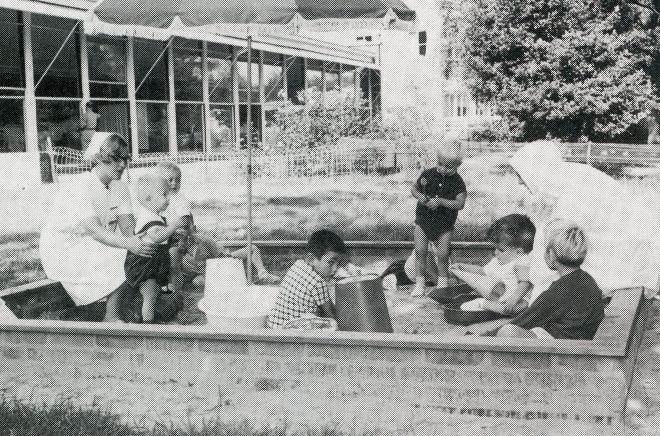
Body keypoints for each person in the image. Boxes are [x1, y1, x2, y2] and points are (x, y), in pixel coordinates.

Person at [509, 141, 660, 301]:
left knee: (551, 284)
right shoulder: (574, 176)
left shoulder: (573, 194)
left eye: (520, 174)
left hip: (630, 262)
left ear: (534, 170)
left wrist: (533, 275)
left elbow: (563, 246)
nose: (519, 181)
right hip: (628, 251)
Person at [39, 132, 157, 322]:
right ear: (99, 158)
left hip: (91, 245)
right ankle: (111, 316)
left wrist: (143, 239)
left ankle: (124, 307)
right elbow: (94, 230)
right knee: (124, 254)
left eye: (125, 159)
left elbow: (128, 227)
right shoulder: (80, 185)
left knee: (137, 254)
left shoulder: (119, 186)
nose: (122, 165)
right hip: (63, 250)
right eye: (115, 158)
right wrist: (130, 245)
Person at [156, 161, 280, 292]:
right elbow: (175, 270)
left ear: (195, 228)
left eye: (178, 180)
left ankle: (262, 273)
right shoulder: (175, 250)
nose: (175, 183)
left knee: (252, 248)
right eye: (170, 180)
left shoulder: (203, 241)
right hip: (202, 275)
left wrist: (225, 265)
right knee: (198, 282)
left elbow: (223, 258)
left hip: (218, 266)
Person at [495, 220, 605, 339]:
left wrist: (482, 336)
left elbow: (524, 320)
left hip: (561, 350)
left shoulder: (560, 290)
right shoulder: (586, 280)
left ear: (551, 254)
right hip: (577, 342)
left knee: (507, 331)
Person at [124, 175, 186, 323]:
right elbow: (157, 236)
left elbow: (163, 235)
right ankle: (148, 325)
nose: (168, 198)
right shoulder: (147, 217)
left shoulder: (154, 216)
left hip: (153, 264)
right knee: (150, 296)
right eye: (164, 194)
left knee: (153, 293)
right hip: (144, 267)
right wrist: (174, 226)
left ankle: (145, 317)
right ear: (149, 199)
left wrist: (175, 232)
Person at [409, 139, 467, 297]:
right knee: (420, 251)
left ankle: (443, 284)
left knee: (442, 254)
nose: (442, 169)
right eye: (440, 163)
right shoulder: (428, 174)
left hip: (444, 225)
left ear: (458, 165)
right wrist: (421, 197)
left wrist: (441, 201)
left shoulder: (458, 183)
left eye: (448, 167)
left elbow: (460, 203)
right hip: (423, 221)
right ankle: (420, 284)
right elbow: (414, 189)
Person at [452, 214, 535, 315]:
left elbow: (525, 282)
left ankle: (482, 304)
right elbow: (483, 271)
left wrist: (514, 298)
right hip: (500, 296)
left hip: (517, 299)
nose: (496, 252)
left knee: (517, 308)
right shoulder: (497, 261)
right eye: (495, 248)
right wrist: (463, 267)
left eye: (501, 250)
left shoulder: (521, 261)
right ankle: (488, 306)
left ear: (519, 252)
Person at [268, 229, 347, 328]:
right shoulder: (318, 281)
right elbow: (331, 315)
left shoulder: (297, 265)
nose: (335, 269)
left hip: (273, 326)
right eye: (331, 262)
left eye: (338, 264)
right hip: (293, 335)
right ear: (311, 259)